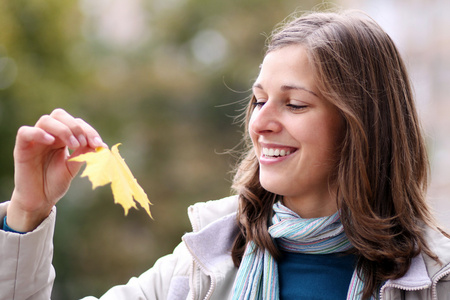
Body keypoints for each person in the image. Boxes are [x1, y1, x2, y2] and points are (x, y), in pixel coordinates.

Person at [1, 9, 450, 300]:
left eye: (293, 104)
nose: (260, 122)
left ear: (362, 125)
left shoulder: (435, 282)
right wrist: (28, 212)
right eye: (258, 100)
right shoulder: (201, 267)